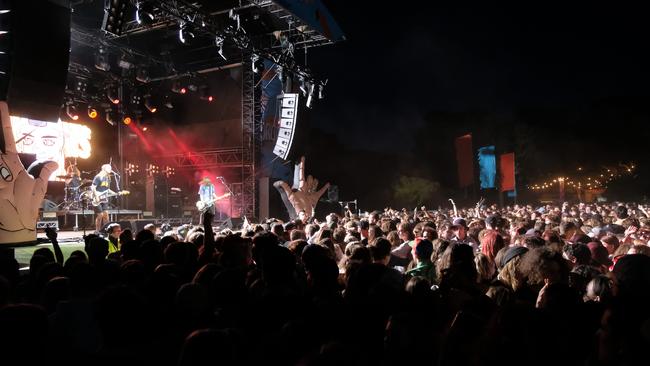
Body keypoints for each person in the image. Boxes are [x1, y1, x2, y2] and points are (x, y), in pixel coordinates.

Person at [91, 164, 113, 233]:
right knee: (100, 215)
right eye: (109, 168)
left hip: (104, 198)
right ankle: (97, 231)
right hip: (97, 198)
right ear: (104, 168)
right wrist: (96, 197)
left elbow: (107, 189)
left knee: (106, 214)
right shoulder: (98, 177)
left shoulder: (108, 178)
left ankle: (107, 230)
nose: (110, 169)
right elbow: (93, 187)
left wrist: (117, 193)